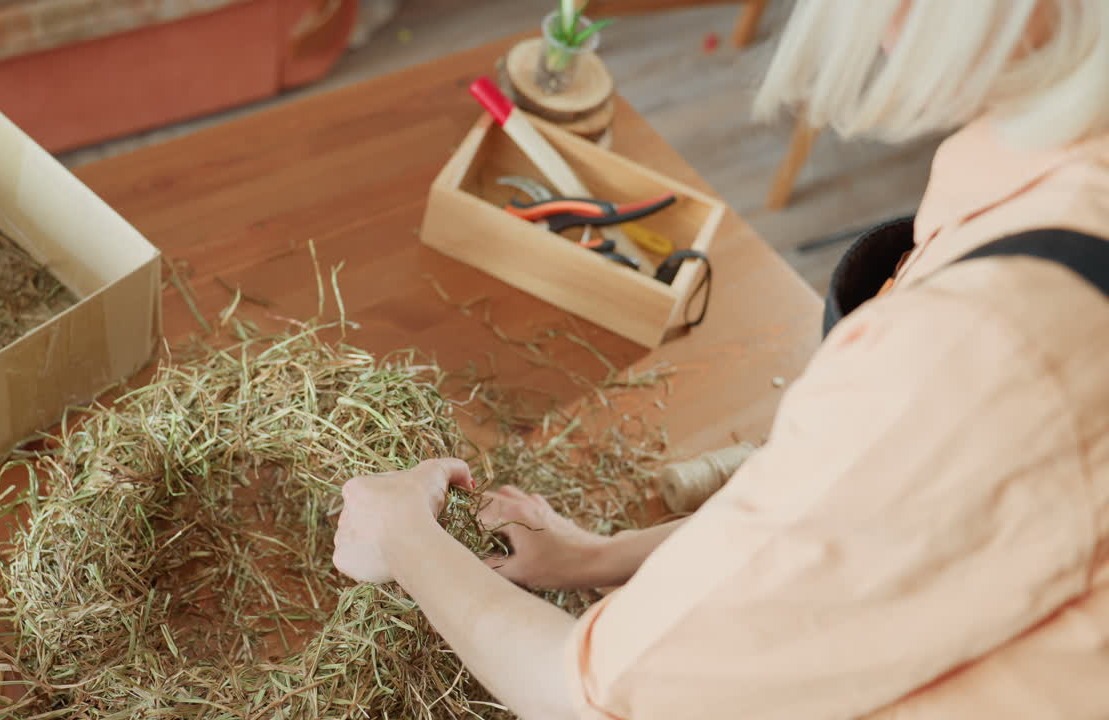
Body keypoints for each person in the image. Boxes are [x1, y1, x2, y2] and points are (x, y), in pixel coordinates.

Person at [332, 1, 1109, 717]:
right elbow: (842, 529)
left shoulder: (982, 352)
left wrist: (404, 533)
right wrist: (595, 558)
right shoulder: (1052, 157)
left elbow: (588, 699)